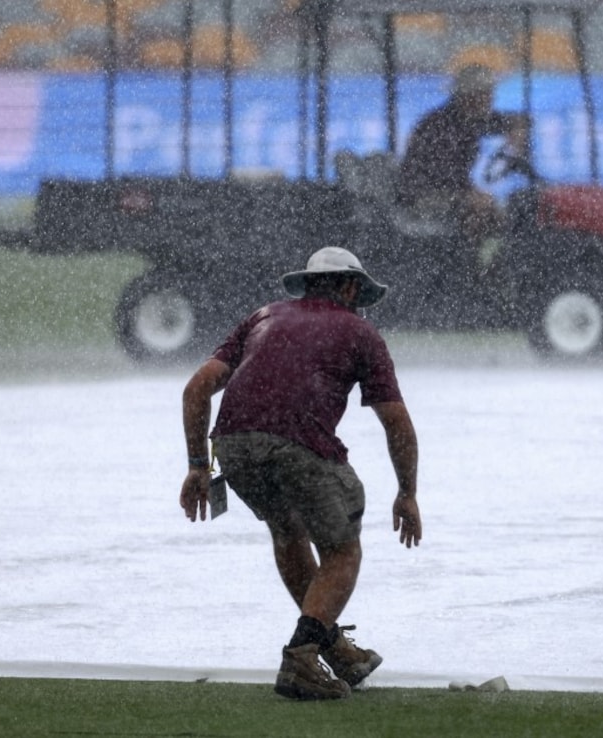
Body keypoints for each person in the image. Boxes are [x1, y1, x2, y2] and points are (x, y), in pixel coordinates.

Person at [180, 246, 421, 701]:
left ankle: (336, 650)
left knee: (288, 533)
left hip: (233, 445)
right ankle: (302, 656)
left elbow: (197, 389)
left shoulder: (262, 317)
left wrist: (197, 466)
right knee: (343, 550)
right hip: (299, 444)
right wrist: (407, 492)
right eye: (359, 293)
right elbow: (396, 422)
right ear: (349, 287)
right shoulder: (361, 333)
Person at [395, 64, 528, 246]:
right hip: (422, 195)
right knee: (479, 213)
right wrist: (468, 195)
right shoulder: (439, 127)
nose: (490, 99)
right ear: (469, 97)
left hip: (447, 190)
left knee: (499, 214)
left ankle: (489, 259)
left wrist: (516, 128)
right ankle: (467, 264)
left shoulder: (469, 119)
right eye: (485, 94)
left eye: (490, 93)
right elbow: (442, 174)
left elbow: (508, 120)